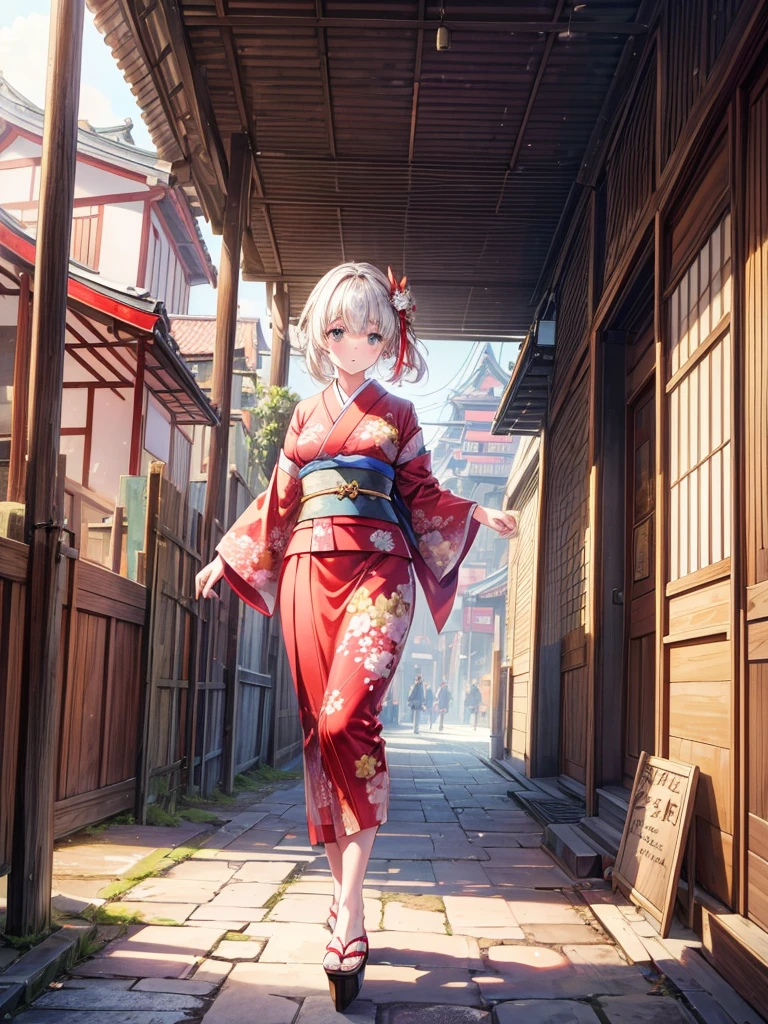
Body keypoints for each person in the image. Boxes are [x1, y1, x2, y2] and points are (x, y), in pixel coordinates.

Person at [194, 262, 518, 1010]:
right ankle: (346, 906)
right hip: (308, 571)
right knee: (320, 732)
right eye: (340, 328)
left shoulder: (399, 413)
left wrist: (474, 513)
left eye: (370, 329)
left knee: (349, 718)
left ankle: (351, 903)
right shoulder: (307, 417)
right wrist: (225, 554)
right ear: (322, 333)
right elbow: (278, 502)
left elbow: (424, 495)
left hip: (380, 574)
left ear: (389, 335)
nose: (353, 341)